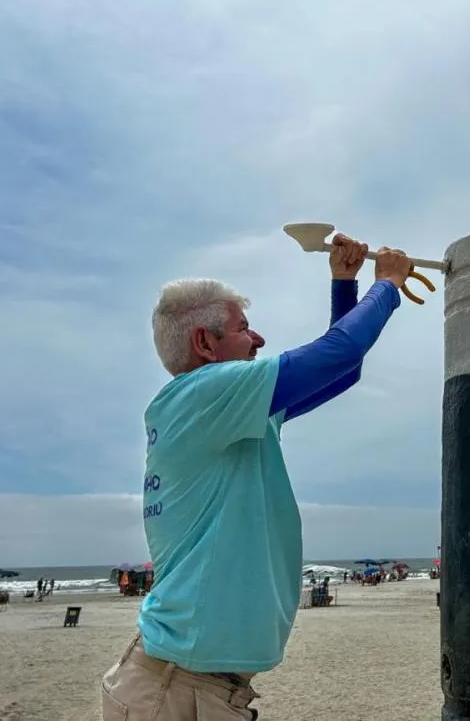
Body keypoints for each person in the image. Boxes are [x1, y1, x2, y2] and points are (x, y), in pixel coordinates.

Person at [99, 234, 413, 720]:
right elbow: (341, 351)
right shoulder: (201, 394)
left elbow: (342, 371)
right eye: (243, 329)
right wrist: (388, 283)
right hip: (176, 689)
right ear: (204, 343)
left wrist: (344, 283)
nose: (259, 340)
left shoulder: (223, 411)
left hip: (185, 684)